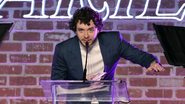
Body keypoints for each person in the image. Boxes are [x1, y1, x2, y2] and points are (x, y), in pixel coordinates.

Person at [51, 6, 165, 104]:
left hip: (104, 99)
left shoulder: (113, 41)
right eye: (81, 30)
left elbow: (136, 54)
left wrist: (151, 62)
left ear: (98, 29)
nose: (86, 35)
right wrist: (82, 88)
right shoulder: (63, 50)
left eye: (90, 30)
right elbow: (57, 85)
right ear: (75, 30)